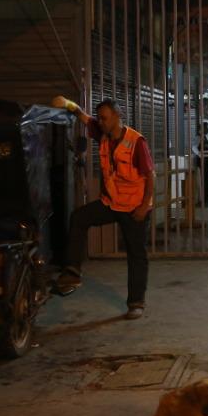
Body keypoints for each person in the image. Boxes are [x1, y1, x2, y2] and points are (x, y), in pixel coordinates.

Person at [51, 96, 154, 319]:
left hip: (134, 208)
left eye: (105, 118)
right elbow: (82, 116)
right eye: (99, 118)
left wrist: (144, 206)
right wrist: (68, 104)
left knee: (136, 255)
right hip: (111, 203)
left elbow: (150, 175)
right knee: (79, 218)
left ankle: (136, 303)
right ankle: (72, 271)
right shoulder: (103, 134)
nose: (101, 122)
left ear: (118, 116)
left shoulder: (136, 142)